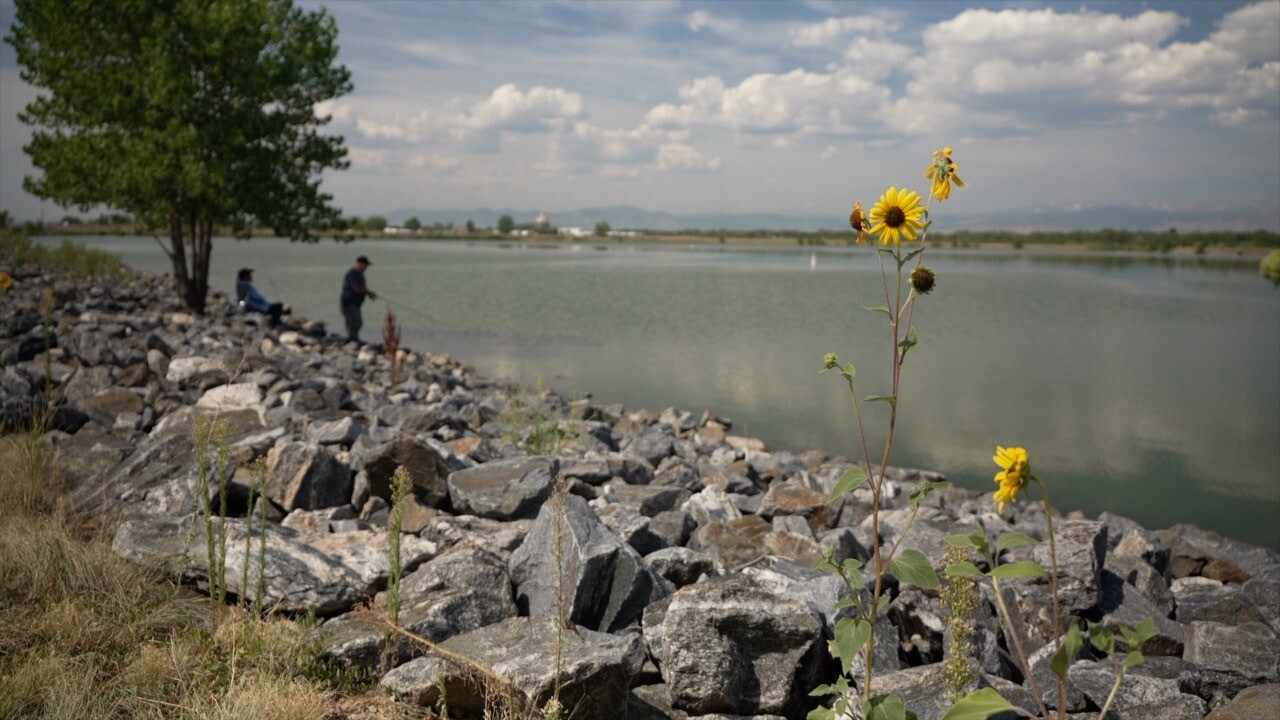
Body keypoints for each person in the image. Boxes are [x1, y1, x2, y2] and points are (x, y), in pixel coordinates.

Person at [340, 255, 376, 342]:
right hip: (349, 303)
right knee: (353, 322)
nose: (366, 267)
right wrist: (369, 293)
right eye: (365, 265)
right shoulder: (353, 273)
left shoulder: (360, 275)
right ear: (359, 264)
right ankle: (352, 339)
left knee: (358, 322)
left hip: (355, 304)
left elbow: (361, 288)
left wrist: (368, 294)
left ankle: (354, 338)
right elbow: (356, 288)